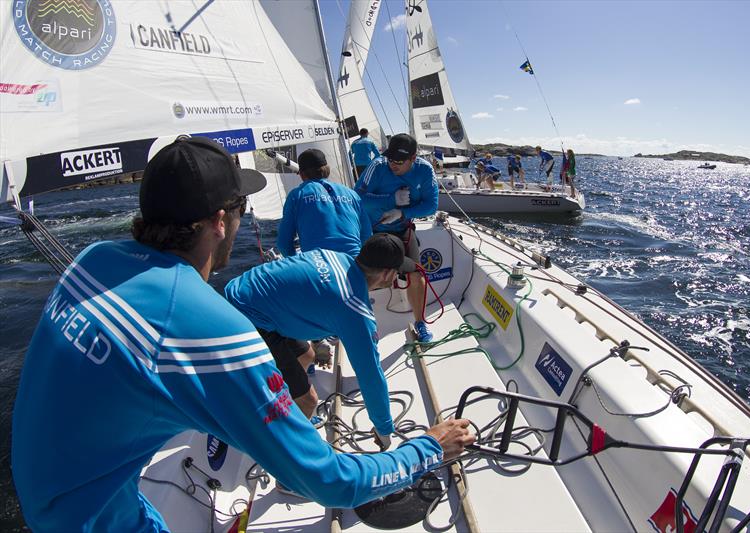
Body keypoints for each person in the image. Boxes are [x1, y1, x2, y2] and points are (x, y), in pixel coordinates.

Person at [11, 136, 474, 531]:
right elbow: (331, 482)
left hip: (52, 493)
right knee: (299, 408)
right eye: (240, 208)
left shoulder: (92, 259)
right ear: (219, 221)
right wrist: (428, 448)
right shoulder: (211, 329)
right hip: (89, 519)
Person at [226, 233, 416, 446]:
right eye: (398, 272)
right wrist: (383, 429)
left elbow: (313, 292)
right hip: (247, 319)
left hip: (243, 291)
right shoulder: (354, 311)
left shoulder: (336, 256)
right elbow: (370, 376)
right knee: (309, 401)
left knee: (307, 355)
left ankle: (287, 409)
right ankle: (288, 462)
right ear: (387, 274)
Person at [355, 133, 438, 342]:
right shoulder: (378, 165)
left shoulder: (425, 170)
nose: (393, 164)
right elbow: (358, 197)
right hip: (373, 230)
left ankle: (420, 323)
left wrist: (403, 213)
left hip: (402, 230)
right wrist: (391, 199)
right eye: (391, 159)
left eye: (399, 161)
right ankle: (358, 323)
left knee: (417, 274)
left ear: (413, 158)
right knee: (363, 276)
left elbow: (431, 205)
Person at [277, 148, 372, 258]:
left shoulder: (297, 195)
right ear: (327, 169)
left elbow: (283, 244)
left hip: (319, 266)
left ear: (302, 174)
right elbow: (367, 235)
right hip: (354, 262)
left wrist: (297, 263)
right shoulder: (352, 194)